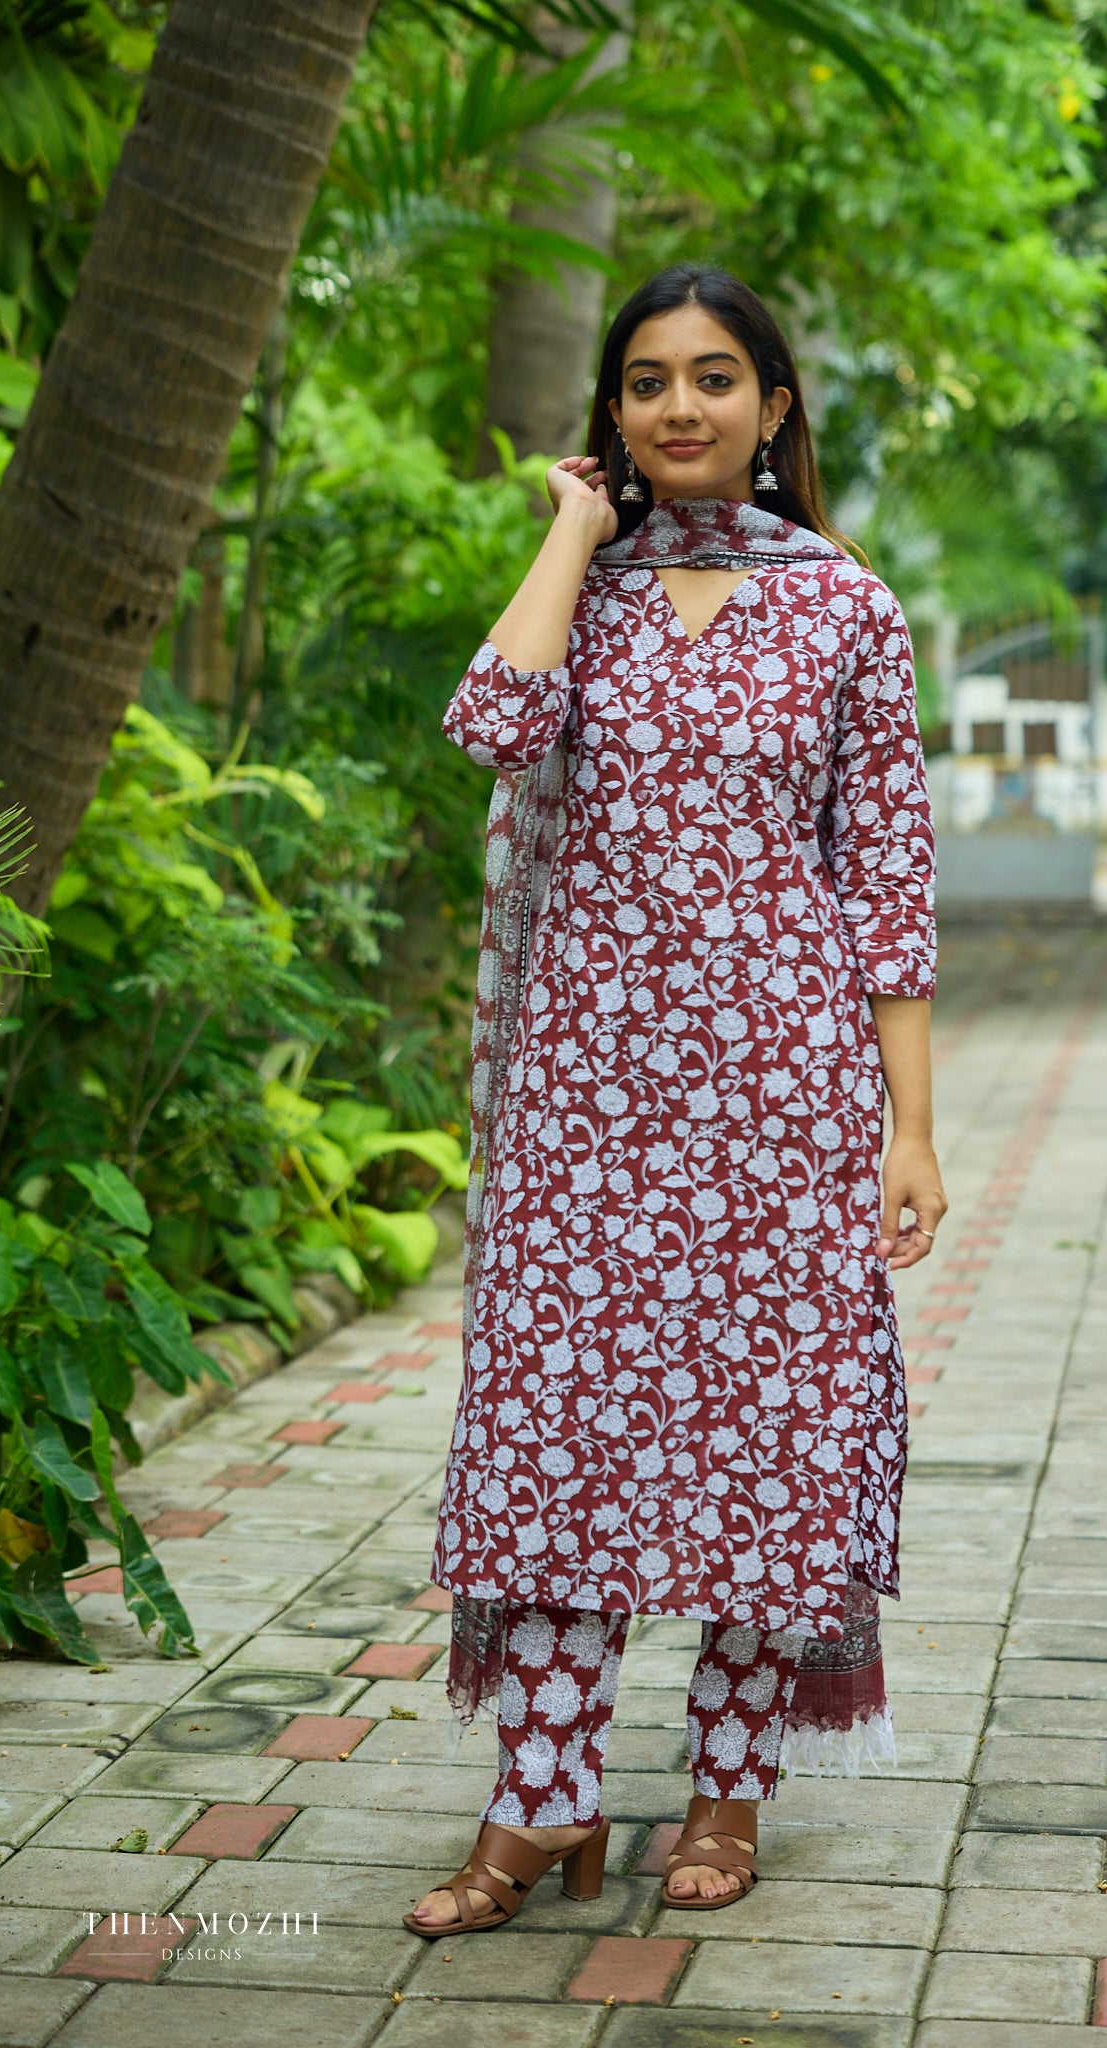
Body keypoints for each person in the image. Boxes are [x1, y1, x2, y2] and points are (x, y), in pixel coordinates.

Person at [403, 263, 945, 1939]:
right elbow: (490, 725)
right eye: (647, 383)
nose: (682, 407)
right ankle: (541, 1804)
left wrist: (908, 1129)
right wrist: (573, 533)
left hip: (787, 1086)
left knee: (768, 1444)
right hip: (586, 1094)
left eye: (717, 378)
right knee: (563, 1438)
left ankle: (725, 1794)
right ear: (615, 419)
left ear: (775, 410)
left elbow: (890, 884)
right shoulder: (588, 593)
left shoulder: (842, 609)